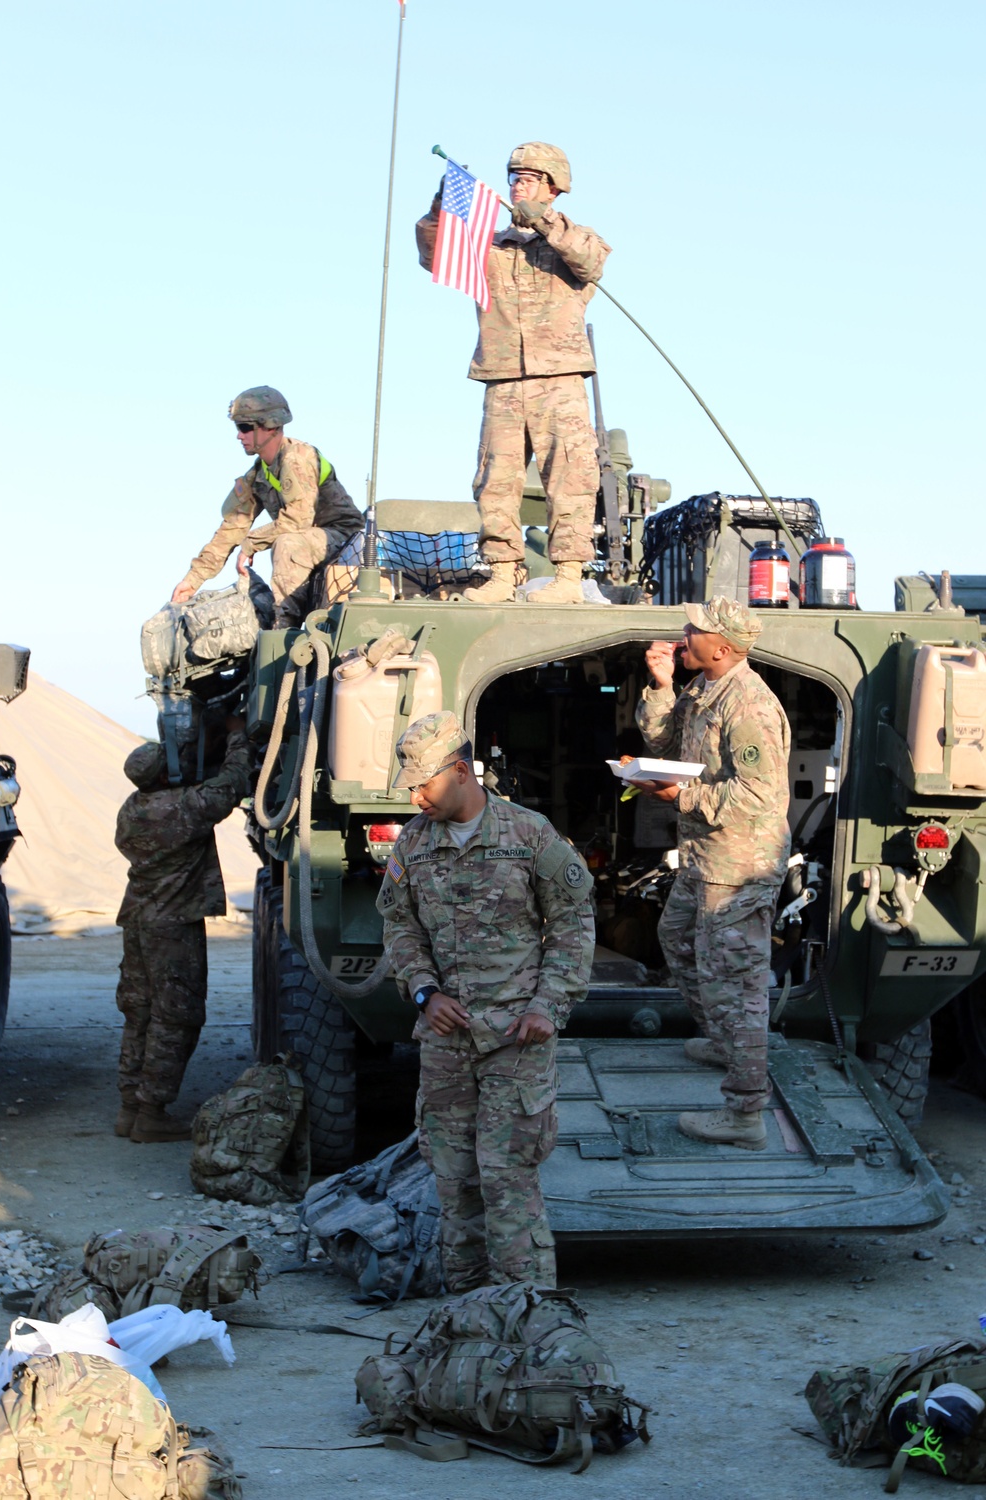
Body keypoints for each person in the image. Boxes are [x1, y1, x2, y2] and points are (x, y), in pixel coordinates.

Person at [377, 711, 595, 1291]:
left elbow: (573, 924)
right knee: (454, 1185)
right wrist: (424, 992)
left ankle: (528, 1318)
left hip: (515, 1041)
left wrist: (548, 1006)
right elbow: (399, 927)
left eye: (424, 783)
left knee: (508, 1183)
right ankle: (468, 1318)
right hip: (446, 1043)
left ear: (461, 771)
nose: (416, 796)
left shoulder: (529, 836)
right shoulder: (413, 845)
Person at [416, 144, 611, 605]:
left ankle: (568, 575)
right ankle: (502, 573)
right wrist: (442, 204)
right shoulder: (491, 248)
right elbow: (432, 249)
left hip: (559, 378)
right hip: (502, 377)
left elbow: (590, 261)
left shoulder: (574, 239)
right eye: (513, 177)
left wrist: (542, 222)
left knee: (569, 476)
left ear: (553, 186)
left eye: (529, 177)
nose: (517, 184)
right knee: (495, 479)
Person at [633, 596, 791, 1150]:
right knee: (675, 936)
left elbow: (760, 794)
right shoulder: (705, 689)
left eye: (694, 630)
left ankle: (745, 1113)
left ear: (722, 648)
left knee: (738, 986)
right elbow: (665, 743)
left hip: (739, 864)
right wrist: (660, 684)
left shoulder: (749, 704)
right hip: (707, 855)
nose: (683, 633)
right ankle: (726, 1043)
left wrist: (683, 795)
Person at [114, 717, 251, 1143]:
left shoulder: (132, 809)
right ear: (163, 775)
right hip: (172, 927)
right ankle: (153, 1111)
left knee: (139, 1012)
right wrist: (236, 733)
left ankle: (130, 1107)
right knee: (176, 1017)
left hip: (138, 921)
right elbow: (233, 783)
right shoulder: (181, 807)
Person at [171, 386, 362, 627]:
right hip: (311, 543)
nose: (239, 436)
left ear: (269, 426)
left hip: (344, 541)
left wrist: (251, 543)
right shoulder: (258, 476)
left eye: (244, 428)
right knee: (287, 545)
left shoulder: (298, 458)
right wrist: (192, 581)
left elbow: (297, 520)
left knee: (288, 543)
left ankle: (285, 630)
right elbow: (231, 529)